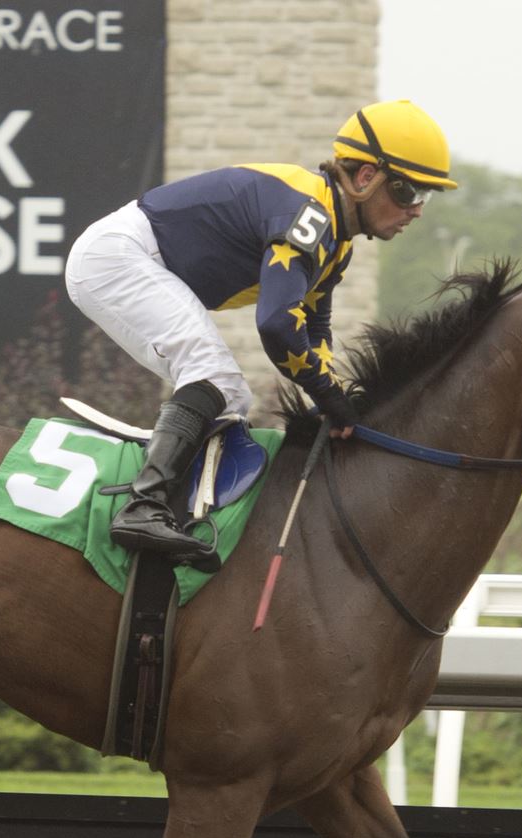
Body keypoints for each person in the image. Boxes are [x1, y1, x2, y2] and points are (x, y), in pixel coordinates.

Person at [65, 99, 456, 567]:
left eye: (426, 196)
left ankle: (182, 516)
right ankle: (142, 506)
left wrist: (335, 400)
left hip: (130, 258)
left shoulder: (335, 242)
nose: (416, 210)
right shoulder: (311, 215)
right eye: (408, 190)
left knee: (231, 399)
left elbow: (313, 327)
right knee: (214, 376)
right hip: (119, 257)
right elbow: (277, 325)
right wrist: (330, 397)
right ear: (365, 177)